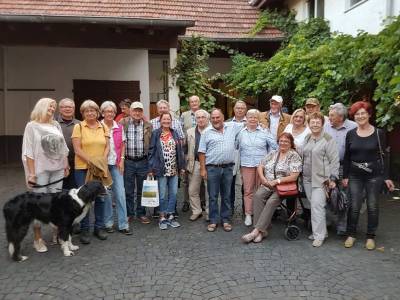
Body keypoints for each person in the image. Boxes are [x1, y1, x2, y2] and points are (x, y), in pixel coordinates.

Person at [343, 101, 395, 250]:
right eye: (357, 114)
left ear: (369, 115)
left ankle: (370, 236)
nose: (360, 116)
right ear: (354, 117)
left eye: (363, 113)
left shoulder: (379, 133)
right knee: (354, 206)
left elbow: (384, 156)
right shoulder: (350, 134)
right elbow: (347, 157)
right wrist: (345, 176)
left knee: (372, 206)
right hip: (355, 175)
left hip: (374, 176)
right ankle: (351, 234)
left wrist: (386, 177)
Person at [22, 97, 69, 253]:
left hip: (57, 169)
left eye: (54, 107)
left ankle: (56, 234)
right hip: (40, 170)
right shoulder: (32, 126)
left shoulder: (55, 125)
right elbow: (28, 151)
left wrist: (66, 164)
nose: (52, 109)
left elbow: (63, 146)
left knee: (56, 202)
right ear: (41, 106)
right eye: (50, 106)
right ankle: (37, 239)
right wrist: (31, 173)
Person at [241, 133, 301, 243]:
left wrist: (277, 181)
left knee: (271, 202)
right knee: (258, 196)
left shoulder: (294, 155)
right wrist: (263, 178)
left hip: (283, 187)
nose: (283, 143)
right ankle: (262, 231)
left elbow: (294, 176)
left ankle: (256, 231)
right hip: (268, 184)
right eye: (281, 141)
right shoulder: (273, 153)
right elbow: (261, 165)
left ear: (291, 143)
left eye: (286, 141)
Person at [198, 108, 243, 232]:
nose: (215, 120)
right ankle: (213, 221)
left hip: (228, 168)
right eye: (213, 118)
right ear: (210, 119)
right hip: (212, 168)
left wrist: (261, 123)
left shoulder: (232, 126)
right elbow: (201, 152)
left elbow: (248, 123)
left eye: (218, 117)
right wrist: (203, 169)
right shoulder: (206, 132)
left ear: (223, 117)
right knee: (212, 196)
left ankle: (226, 220)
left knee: (226, 196)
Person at [72, 100, 110, 244]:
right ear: (82, 113)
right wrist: (92, 162)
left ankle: (98, 227)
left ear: (97, 112)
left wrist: (102, 161)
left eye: (92, 110)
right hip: (82, 168)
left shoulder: (103, 126)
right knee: (83, 199)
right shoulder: (79, 127)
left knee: (100, 197)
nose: (90, 113)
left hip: (99, 169)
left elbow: (107, 147)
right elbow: (77, 149)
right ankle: (85, 229)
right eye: (86, 111)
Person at [300, 112, 340, 247]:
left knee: (317, 206)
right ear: (308, 124)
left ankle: (319, 235)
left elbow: (334, 161)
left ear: (323, 124)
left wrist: (333, 178)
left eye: (318, 122)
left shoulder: (328, 139)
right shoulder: (306, 138)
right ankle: (321, 231)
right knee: (313, 205)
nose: (315, 124)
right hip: (307, 178)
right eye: (312, 122)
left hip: (322, 180)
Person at [238, 109, 277, 226]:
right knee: (248, 190)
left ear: (258, 119)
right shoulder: (241, 132)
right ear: (246, 118)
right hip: (247, 164)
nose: (253, 119)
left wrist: (269, 160)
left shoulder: (264, 131)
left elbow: (275, 146)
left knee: (261, 190)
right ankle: (248, 214)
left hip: (262, 166)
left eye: (255, 117)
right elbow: (236, 146)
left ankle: (260, 214)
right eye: (250, 117)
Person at [324, 103, 357, 235]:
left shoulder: (353, 127)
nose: (329, 117)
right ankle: (326, 222)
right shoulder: (326, 127)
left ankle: (342, 225)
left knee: (343, 196)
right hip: (328, 165)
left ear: (340, 116)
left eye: (332, 115)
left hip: (345, 166)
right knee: (327, 193)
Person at [148, 112, 185, 230]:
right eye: (164, 119)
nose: (166, 121)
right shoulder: (155, 134)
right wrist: (151, 168)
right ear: (160, 121)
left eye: (168, 119)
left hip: (174, 169)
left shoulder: (175, 133)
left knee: (173, 193)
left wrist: (182, 166)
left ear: (171, 121)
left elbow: (180, 151)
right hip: (161, 169)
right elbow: (151, 152)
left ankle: (171, 215)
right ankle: (162, 216)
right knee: (162, 194)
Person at [100, 101, 132, 235]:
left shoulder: (118, 126)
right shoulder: (98, 127)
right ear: (102, 113)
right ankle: (108, 223)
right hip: (103, 166)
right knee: (106, 195)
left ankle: (123, 224)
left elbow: (123, 145)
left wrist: (122, 160)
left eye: (112, 112)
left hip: (117, 164)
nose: (110, 114)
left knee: (120, 194)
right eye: (107, 111)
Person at [120, 101, 153, 224]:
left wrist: (150, 164)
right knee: (128, 190)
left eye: (139, 111)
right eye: (135, 110)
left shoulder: (148, 125)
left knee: (141, 190)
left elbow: (151, 146)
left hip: (143, 161)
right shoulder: (122, 123)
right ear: (130, 111)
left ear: (142, 112)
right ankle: (129, 213)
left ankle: (141, 213)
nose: (137, 113)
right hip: (128, 161)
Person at [186, 109, 210, 221]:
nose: (200, 119)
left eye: (202, 117)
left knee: (209, 190)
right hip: (195, 163)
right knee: (192, 190)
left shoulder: (212, 130)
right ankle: (197, 211)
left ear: (207, 118)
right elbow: (185, 148)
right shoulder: (190, 131)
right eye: (198, 117)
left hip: (209, 164)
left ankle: (210, 212)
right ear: (195, 120)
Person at [180, 95, 201, 213]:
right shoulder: (184, 115)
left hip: (200, 151)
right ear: (189, 103)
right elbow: (180, 130)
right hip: (187, 150)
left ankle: (201, 201)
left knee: (201, 178)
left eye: (196, 101)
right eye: (191, 101)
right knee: (186, 179)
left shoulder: (204, 114)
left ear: (199, 102)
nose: (194, 103)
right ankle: (186, 201)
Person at [227, 100, 248, 216]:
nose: (239, 110)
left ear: (245, 110)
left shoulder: (251, 121)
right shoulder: (227, 123)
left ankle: (246, 209)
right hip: (232, 157)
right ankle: (230, 208)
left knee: (246, 185)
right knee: (230, 184)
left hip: (246, 157)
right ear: (234, 109)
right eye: (237, 108)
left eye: (242, 108)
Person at [57, 98, 80, 190]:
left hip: (76, 162)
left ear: (74, 109)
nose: (67, 109)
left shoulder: (79, 124)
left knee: (72, 190)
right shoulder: (53, 123)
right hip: (57, 163)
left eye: (70, 107)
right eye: (65, 107)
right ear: (60, 109)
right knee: (58, 190)